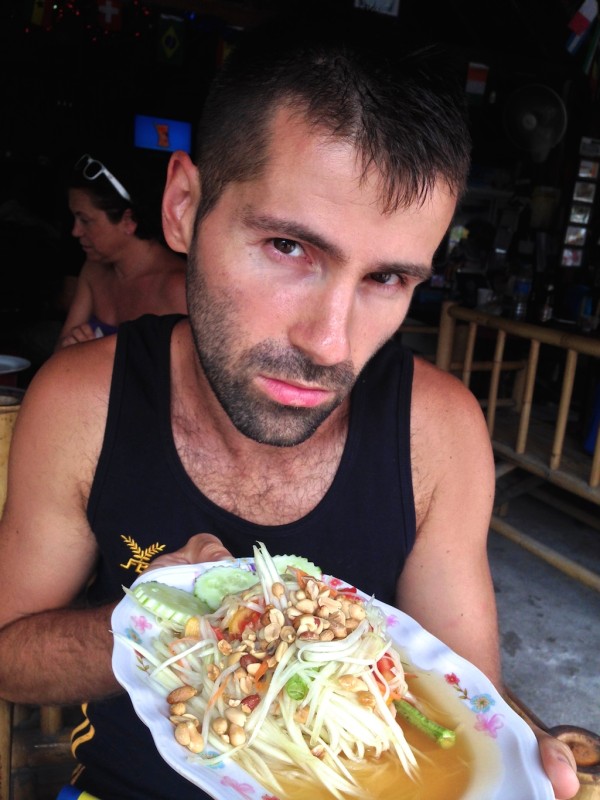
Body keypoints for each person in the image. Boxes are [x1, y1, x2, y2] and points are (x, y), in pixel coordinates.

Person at [0, 7, 579, 800]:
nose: (331, 345)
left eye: (387, 279)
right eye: (289, 247)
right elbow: (6, 656)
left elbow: (463, 701)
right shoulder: (82, 402)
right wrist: (150, 630)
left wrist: (527, 745)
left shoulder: (438, 433)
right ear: (183, 208)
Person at [56, 152, 187, 348]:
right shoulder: (93, 271)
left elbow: (193, 376)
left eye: (85, 220)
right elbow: (59, 352)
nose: (75, 231)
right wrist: (71, 346)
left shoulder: (179, 288)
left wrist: (93, 356)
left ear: (127, 220)